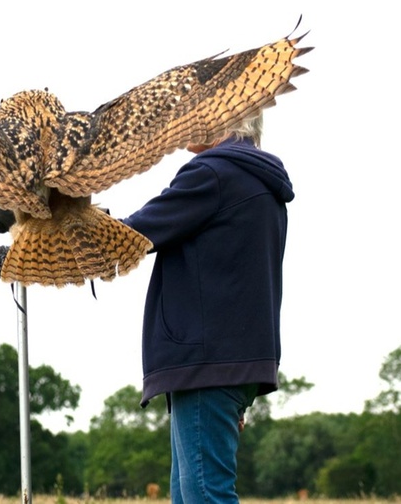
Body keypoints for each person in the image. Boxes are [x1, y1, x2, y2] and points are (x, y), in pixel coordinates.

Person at [121, 111, 293, 503]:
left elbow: (130, 236)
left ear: (225, 120)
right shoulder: (259, 181)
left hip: (205, 362)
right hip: (234, 361)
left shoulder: (213, 174)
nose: (182, 121)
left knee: (203, 495)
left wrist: (50, 220)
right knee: (190, 494)